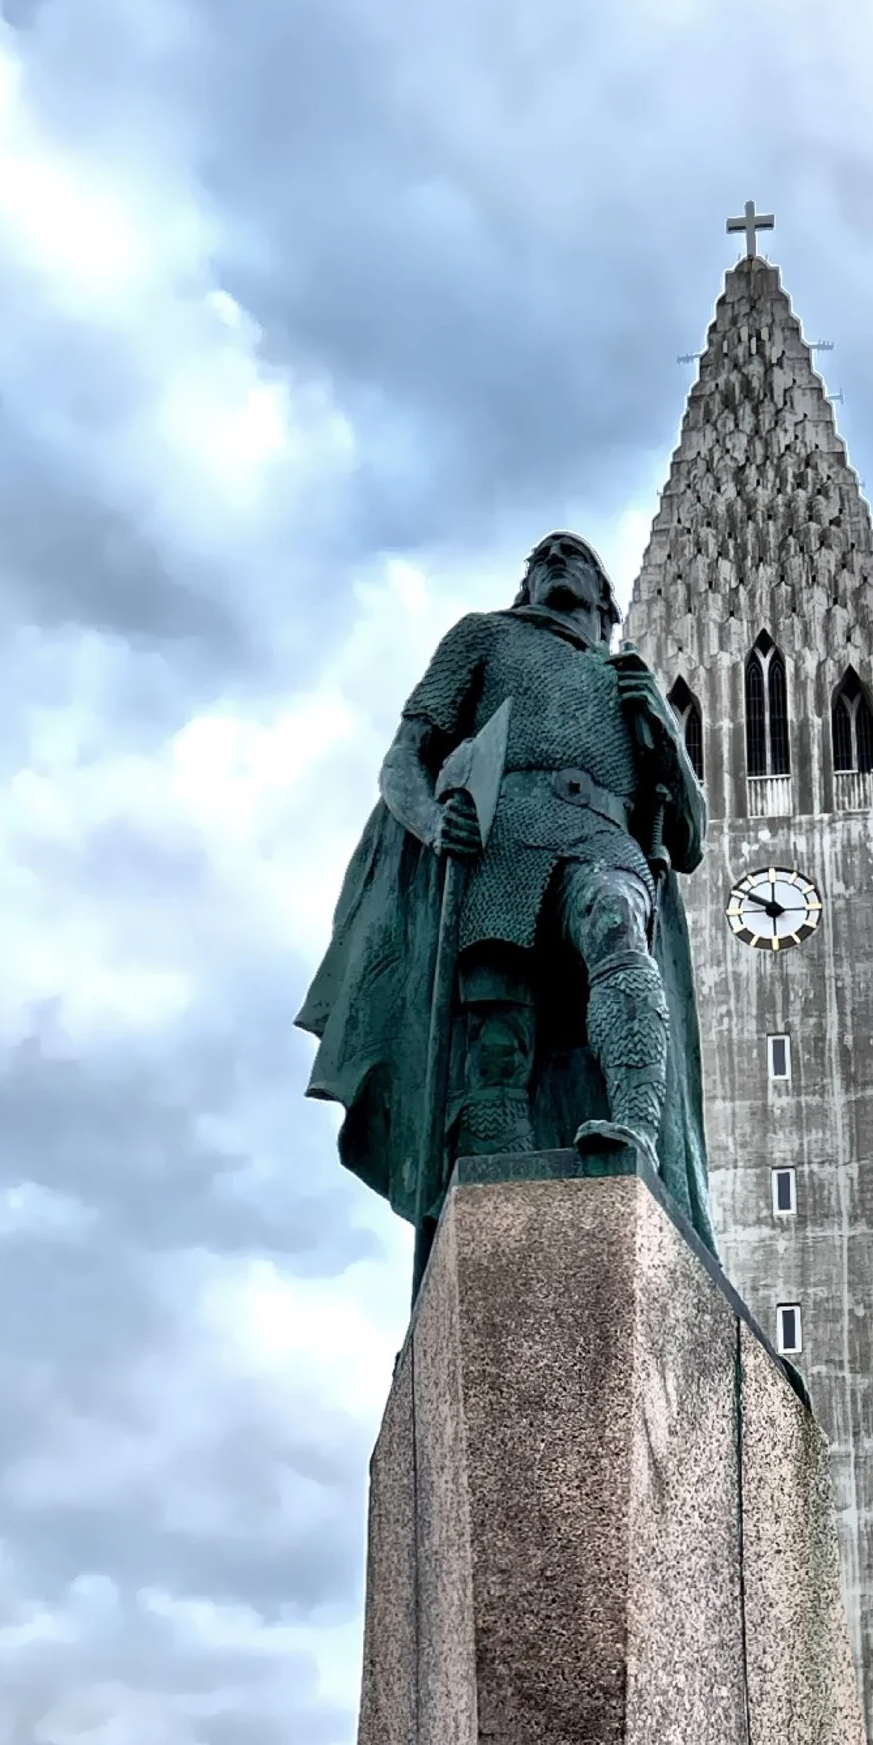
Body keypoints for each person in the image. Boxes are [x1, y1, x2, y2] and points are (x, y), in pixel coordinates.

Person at [298, 531, 713, 1282]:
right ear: (525, 585)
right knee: (496, 1045)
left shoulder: (627, 680)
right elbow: (405, 758)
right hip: (504, 846)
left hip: (602, 841)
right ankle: (499, 1243)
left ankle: (635, 1133)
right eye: (543, 557)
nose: (556, 560)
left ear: (603, 598)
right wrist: (432, 821)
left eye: (574, 556)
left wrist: (667, 735)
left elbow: (688, 838)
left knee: (619, 935)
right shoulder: (483, 638)